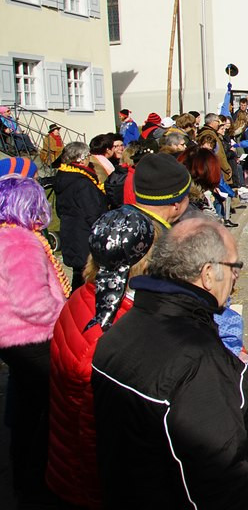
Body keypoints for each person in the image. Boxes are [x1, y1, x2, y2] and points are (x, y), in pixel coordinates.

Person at [92, 218, 248, 508]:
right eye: (234, 267)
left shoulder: (119, 331)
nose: (237, 277)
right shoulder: (201, 362)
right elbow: (223, 480)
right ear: (207, 274)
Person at [47, 206, 158, 509]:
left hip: (70, 466)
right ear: (142, 262)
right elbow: (95, 434)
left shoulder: (86, 297)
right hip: (90, 485)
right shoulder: (109, 332)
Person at [0, 176, 69, 507]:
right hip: (32, 338)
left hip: (13, 339)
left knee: (27, 409)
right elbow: (32, 302)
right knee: (44, 414)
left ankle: (24, 479)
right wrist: (66, 314)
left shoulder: (6, 236)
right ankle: (36, 483)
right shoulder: (22, 242)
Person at [54, 142, 110, 290]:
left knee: (78, 274)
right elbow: (93, 212)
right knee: (86, 276)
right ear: (80, 159)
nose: (89, 160)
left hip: (70, 230)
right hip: (84, 234)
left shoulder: (63, 176)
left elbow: (59, 209)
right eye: (87, 157)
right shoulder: (82, 183)